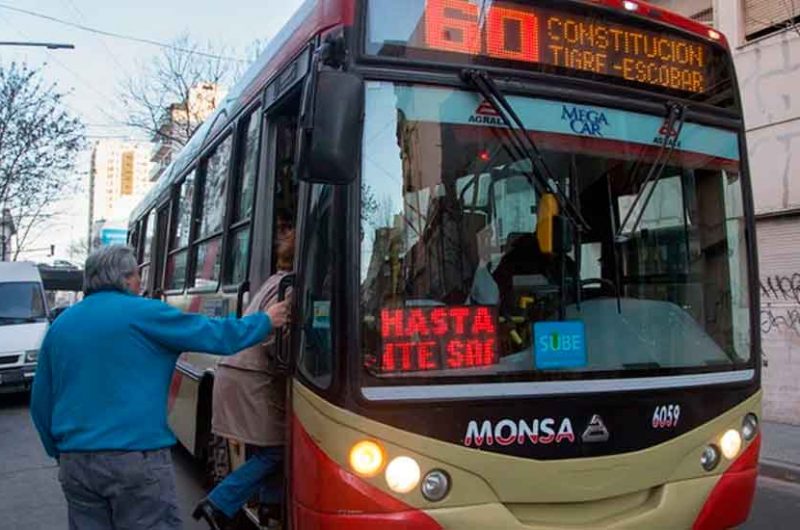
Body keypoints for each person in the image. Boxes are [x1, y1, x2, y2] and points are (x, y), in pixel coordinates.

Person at [29, 245, 289, 530]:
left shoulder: (61, 325)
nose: (141, 282)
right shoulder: (145, 314)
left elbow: (40, 403)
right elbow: (217, 337)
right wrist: (266, 321)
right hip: (135, 460)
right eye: (138, 275)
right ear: (125, 278)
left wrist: (62, 452)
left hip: (75, 463)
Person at [193, 229, 295, 529]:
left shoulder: (274, 280)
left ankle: (269, 510)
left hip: (237, 372)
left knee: (263, 446)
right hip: (253, 378)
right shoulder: (292, 286)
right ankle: (218, 502)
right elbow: (274, 339)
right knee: (278, 448)